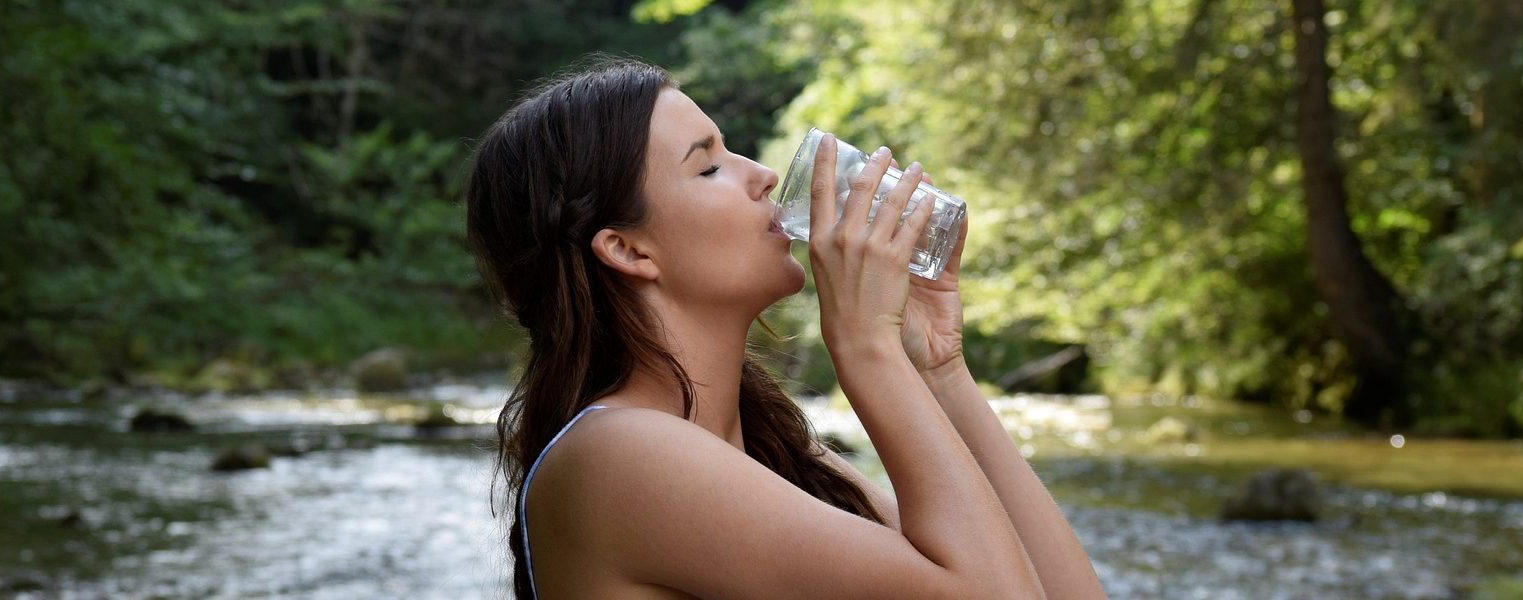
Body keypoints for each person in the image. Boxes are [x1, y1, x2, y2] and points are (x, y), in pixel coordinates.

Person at [464, 57, 1105, 599]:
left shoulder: (784, 460)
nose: (763, 175)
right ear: (629, 251)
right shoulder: (616, 455)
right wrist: (865, 345)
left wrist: (937, 367)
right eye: (708, 166)